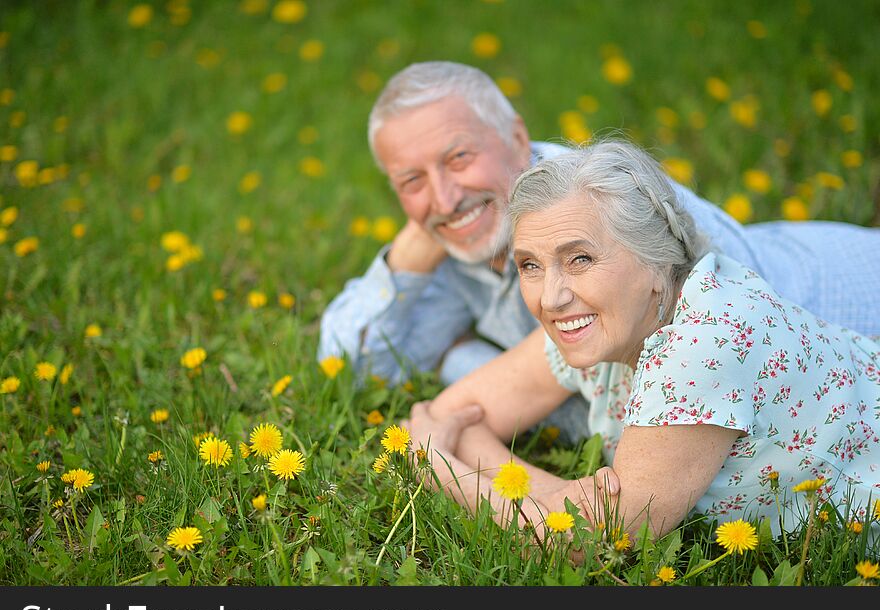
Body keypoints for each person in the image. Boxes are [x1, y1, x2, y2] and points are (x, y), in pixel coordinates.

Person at [319, 60, 880, 443]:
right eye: (411, 180)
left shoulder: (613, 201)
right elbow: (352, 367)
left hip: (852, 301)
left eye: (459, 157)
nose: (443, 195)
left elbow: (666, 408)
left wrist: (461, 364)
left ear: (516, 138)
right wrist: (413, 249)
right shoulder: (459, 240)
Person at [404, 139, 880, 543]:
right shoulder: (608, 318)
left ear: (656, 262)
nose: (551, 297)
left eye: (581, 259)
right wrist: (554, 496)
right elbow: (457, 413)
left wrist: (445, 469)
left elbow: (588, 541)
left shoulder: (704, 344)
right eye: (530, 265)